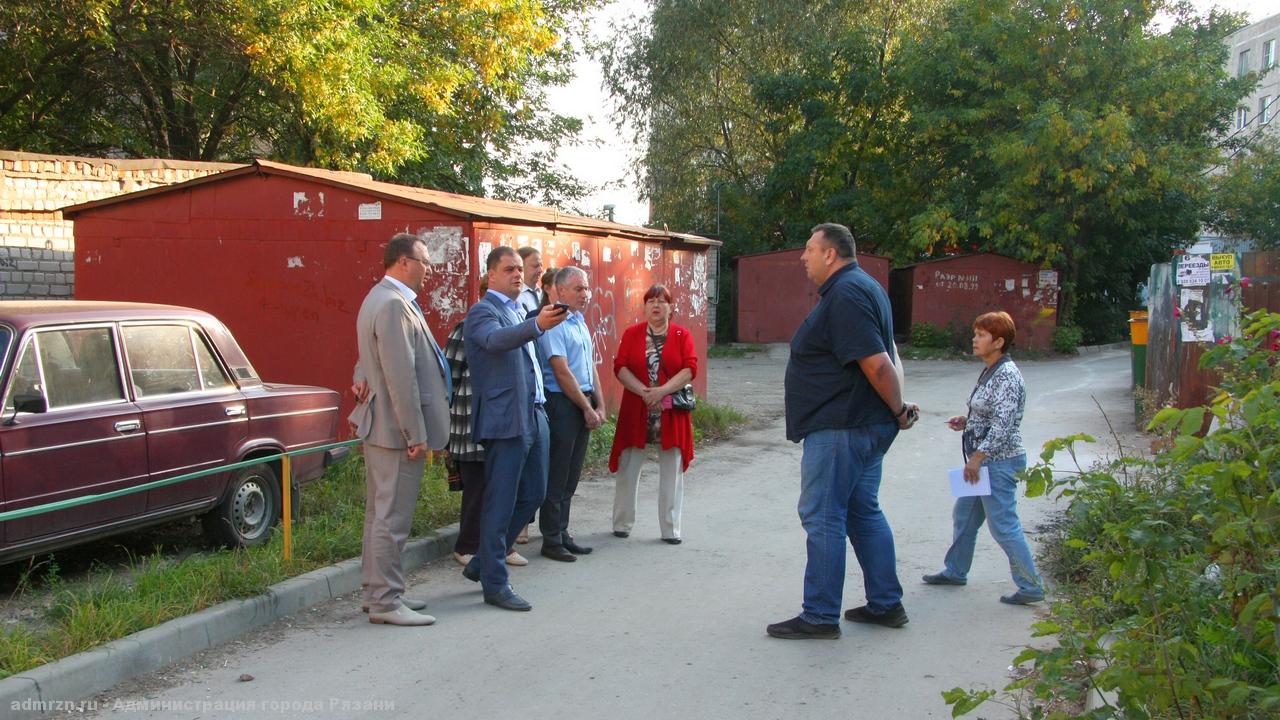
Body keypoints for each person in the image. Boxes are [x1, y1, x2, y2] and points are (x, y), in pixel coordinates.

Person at [766, 222, 919, 641]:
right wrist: (894, 411)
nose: (803, 257)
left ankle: (819, 615)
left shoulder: (848, 294)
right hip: (861, 424)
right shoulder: (863, 287)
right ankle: (886, 603)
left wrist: (899, 409)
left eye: (809, 249)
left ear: (830, 254)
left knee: (824, 515)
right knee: (860, 510)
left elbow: (877, 364)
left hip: (842, 428)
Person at [348, 233, 452, 627]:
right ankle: (386, 602)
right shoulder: (392, 304)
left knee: (379, 514)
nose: (429, 270)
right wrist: (415, 434)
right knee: (392, 518)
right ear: (404, 262)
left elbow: (368, 358)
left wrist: (360, 377)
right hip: (396, 430)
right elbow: (400, 376)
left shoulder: (380, 298)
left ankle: (376, 591)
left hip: (381, 426)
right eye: (425, 261)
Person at [462, 246, 567, 611]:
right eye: (509, 269)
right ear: (491, 275)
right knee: (501, 501)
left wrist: (537, 320)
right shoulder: (482, 312)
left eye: (520, 269)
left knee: (535, 493)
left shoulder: (521, 308)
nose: (518, 275)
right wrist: (537, 324)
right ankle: (495, 582)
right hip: (506, 417)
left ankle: (482, 562)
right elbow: (494, 341)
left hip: (534, 412)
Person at [923, 311, 1046, 605]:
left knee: (1003, 524)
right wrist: (968, 421)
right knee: (964, 516)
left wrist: (977, 458)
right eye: (975, 333)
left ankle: (1031, 586)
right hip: (985, 462)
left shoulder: (1007, 375)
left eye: (981, 335)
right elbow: (991, 413)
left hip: (997, 463)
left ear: (999, 341)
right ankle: (955, 571)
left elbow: (1004, 425)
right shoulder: (993, 369)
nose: (974, 339)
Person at [443, 282, 529, 569]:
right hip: (469, 422)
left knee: (502, 488)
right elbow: (448, 377)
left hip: (500, 421)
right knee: (477, 488)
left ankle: (499, 547)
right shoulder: (466, 327)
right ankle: (466, 545)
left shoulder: (513, 327)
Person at [608, 284, 697, 544]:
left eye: (661, 301)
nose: (656, 305)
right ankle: (622, 522)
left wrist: (662, 391)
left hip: (671, 412)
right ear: (644, 306)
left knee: (672, 471)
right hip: (637, 409)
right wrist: (645, 392)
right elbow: (620, 366)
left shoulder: (682, 335)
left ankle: (670, 529)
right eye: (650, 301)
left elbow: (690, 368)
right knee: (628, 467)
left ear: (671, 307)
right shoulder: (632, 333)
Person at [536, 266, 606, 562]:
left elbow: (589, 367)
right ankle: (551, 538)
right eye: (578, 289)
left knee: (572, 473)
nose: (585, 294)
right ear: (559, 290)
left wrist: (599, 404)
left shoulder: (578, 322)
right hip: (562, 403)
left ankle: (563, 532)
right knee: (558, 471)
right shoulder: (553, 323)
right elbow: (561, 372)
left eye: (587, 288)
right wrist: (586, 407)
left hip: (583, 400)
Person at [516, 246, 544, 315]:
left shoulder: (544, 293)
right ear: (520, 268)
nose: (541, 270)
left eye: (541, 265)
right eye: (535, 266)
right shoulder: (514, 296)